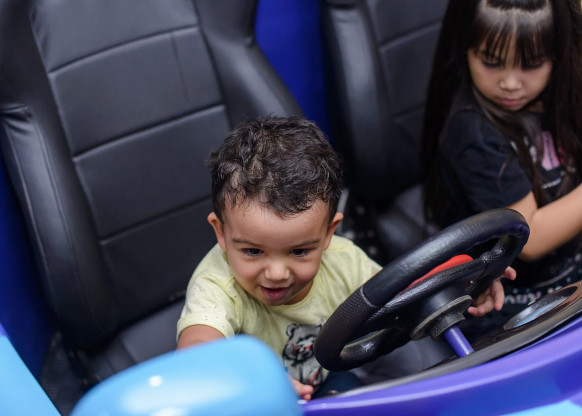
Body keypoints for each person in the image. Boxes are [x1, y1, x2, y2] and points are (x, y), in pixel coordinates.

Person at [177, 116, 514, 400]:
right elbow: (197, 349)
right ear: (220, 232)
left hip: (325, 380)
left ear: (329, 233)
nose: (277, 273)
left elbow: (404, 297)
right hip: (250, 398)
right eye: (253, 251)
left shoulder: (343, 261)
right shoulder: (217, 283)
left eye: (299, 251)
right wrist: (252, 380)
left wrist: (466, 285)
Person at [421, 0, 582, 325]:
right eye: (491, 62)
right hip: (513, 300)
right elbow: (530, 236)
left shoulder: (560, 90)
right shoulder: (472, 130)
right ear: (466, 50)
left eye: (531, 64)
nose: (510, 83)